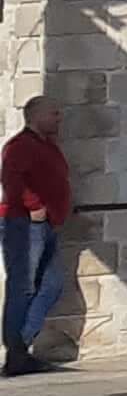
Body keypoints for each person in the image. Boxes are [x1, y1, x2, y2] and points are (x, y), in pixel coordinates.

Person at [1, 97, 71, 376]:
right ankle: (16, 352)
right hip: (24, 224)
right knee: (23, 287)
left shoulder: (47, 146)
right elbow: (12, 180)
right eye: (53, 113)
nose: (58, 118)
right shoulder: (20, 146)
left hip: (46, 224)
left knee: (52, 284)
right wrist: (34, 206)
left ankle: (21, 345)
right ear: (36, 115)